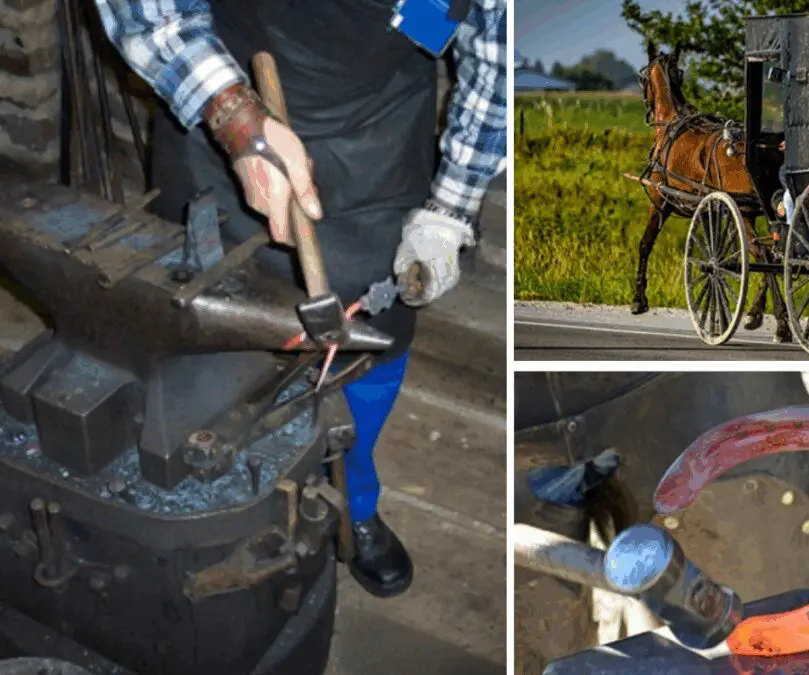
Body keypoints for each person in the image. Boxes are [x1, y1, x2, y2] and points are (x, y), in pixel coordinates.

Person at [94, 0, 507, 598]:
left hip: (378, 130)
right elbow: (145, 13)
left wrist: (449, 210)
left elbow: (498, 63)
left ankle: (352, 501)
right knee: (203, 330)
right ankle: (230, 492)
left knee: (377, 338)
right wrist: (236, 118)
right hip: (222, 102)